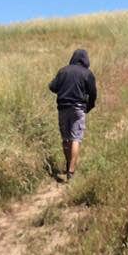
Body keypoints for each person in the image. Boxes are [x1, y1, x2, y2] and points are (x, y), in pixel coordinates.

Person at [49, 49, 97, 182]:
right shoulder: (87, 73)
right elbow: (93, 93)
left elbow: (52, 87)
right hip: (78, 108)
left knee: (66, 138)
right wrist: (89, 106)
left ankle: (67, 164)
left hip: (63, 108)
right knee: (76, 138)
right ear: (86, 60)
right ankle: (71, 170)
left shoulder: (63, 71)